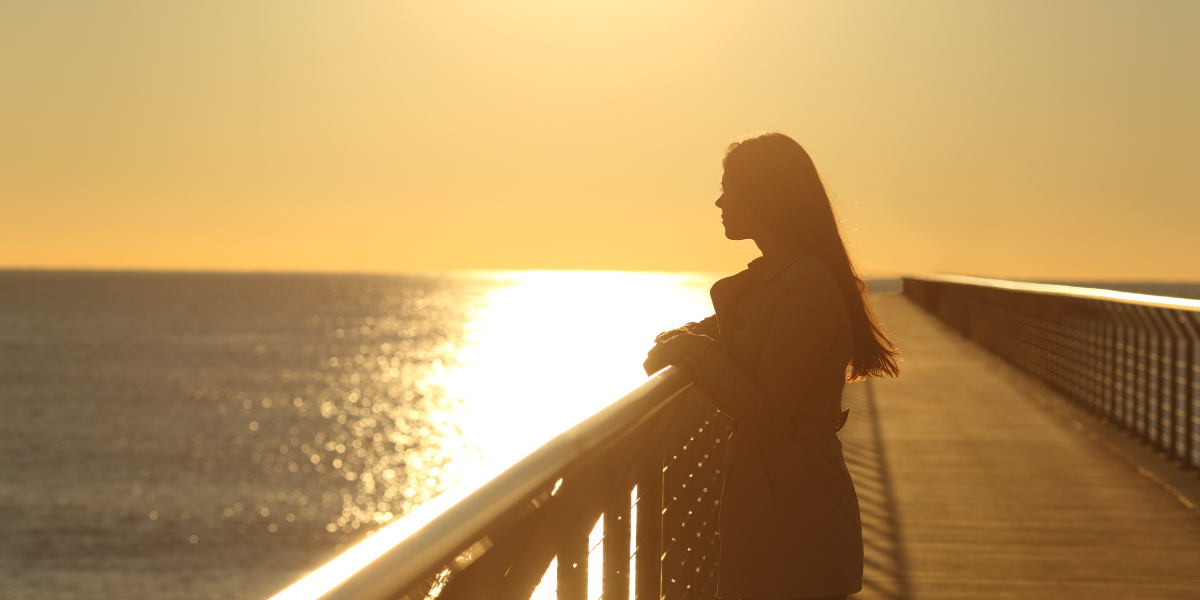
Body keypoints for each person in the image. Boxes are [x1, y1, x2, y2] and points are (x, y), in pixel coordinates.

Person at [643, 132, 899, 600]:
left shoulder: (805, 288)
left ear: (763, 192)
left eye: (728, 186)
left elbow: (766, 411)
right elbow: (730, 337)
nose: (719, 200)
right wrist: (686, 341)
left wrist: (696, 353)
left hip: (797, 517)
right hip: (770, 506)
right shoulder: (770, 280)